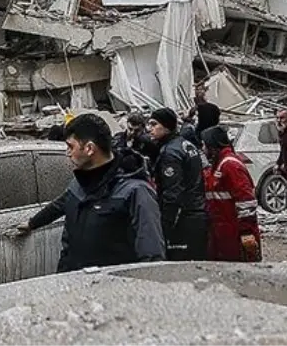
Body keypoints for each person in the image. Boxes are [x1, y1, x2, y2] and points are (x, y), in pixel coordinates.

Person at [30, 113, 164, 271]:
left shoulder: (135, 192)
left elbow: (153, 258)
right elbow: (59, 205)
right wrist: (31, 223)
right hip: (73, 284)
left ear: (89, 149)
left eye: (70, 146)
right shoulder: (79, 184)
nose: (67, 153)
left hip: (112, 290)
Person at [147, 108, 207, 260]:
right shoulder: (186, 145)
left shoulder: (170, 153)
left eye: (154, 124)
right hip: (197, 213)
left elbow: (173, 193)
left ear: (166, 126)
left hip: (183, 218)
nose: (150, 129)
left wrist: (165, 226)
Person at [201, 126, 261, 262]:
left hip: (234, 234)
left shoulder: (230, 166)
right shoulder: (218, 165)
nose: (203, 149)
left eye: (204, 145)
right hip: (222, 233)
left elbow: (246, 201)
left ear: (212, 145)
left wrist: (246, 232)